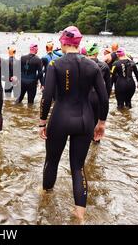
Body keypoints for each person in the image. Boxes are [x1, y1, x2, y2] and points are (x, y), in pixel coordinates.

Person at [39, 26, 108, 222]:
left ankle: (46, 196)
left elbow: (46, 96)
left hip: (60, 118)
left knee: (51, 161)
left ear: (63, 42)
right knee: (78, 167)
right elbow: (104, 99)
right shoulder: (93, 66)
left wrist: (42, 122)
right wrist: (101, 122)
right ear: (79, 43)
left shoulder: (55, 64)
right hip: (85, 120)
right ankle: (80, 214)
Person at [85, 42, 111, 130]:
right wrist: (106, 98)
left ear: (87, 53)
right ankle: (96, 141)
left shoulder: (81, 64)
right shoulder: (104, 65)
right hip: (98, 97)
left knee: (85, 122)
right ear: (96, 53)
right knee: (97, 122)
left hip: (85, 97)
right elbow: (108, 86)